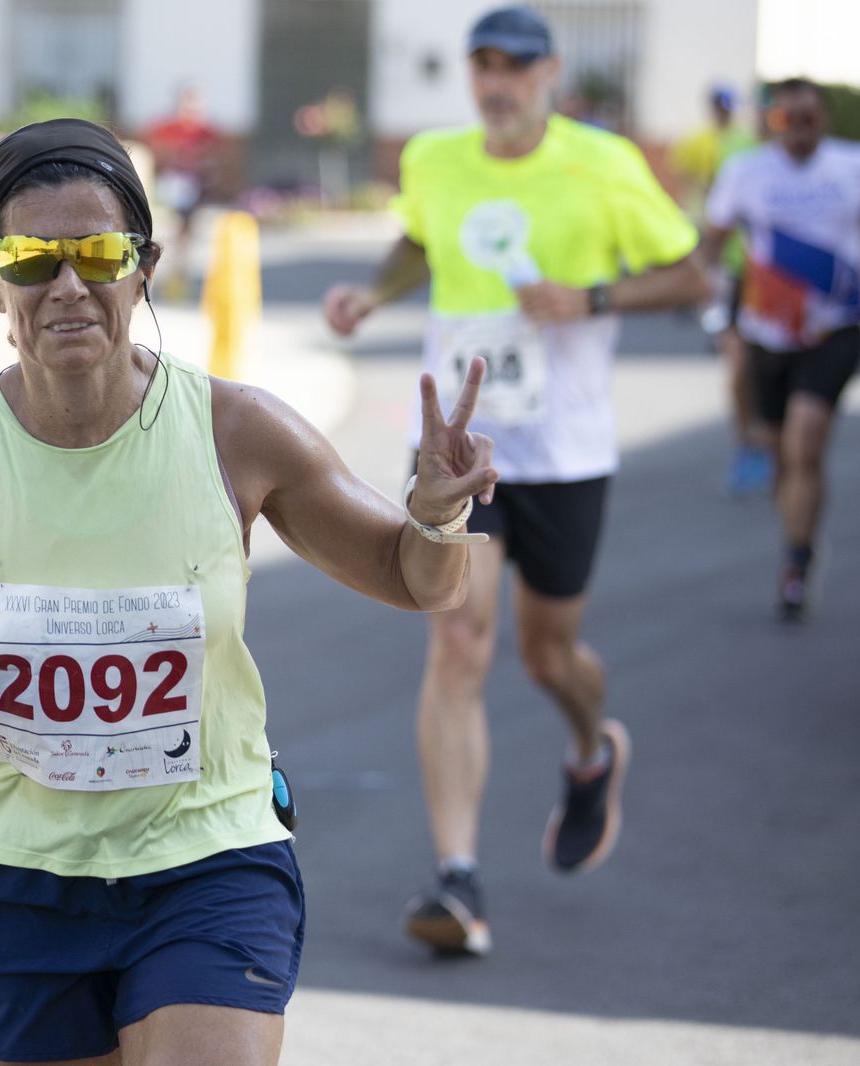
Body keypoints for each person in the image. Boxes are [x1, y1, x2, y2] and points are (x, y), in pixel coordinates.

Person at [0, 117, 497, 1064]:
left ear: (144, 265)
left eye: (98, 252)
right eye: (31, 258)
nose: (69, 286)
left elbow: (414, 581)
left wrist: (437, 518)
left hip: (209, 855)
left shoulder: (237, 432)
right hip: (17, 876)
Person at [322, 5, 709, 957]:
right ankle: (457, 878)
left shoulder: (605, 166)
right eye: (483, 65)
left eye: (515, 67)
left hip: (566, 451)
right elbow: (419, 238)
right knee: (456, 643)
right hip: (460, 448)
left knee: (548, 658)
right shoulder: (434, 160)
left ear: (550, 74)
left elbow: (694, 276)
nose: (496, 82)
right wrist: (373, 291)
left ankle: (591, 749)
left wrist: (595, 298)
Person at [702, 77, 860, 621]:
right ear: (772, 122)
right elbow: (713, 242)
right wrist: (719, 312)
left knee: (806, 444)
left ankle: (794, 563)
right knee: (778, 456)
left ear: (826, 119)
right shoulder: (746, 172)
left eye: (807, 117)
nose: (796, 128)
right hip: (767, 335)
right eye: (785, 118)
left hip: (834, 329)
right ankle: (802, 537)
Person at [673, 83, 770, 496]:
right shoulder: (722, 146)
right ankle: (749, 446)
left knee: (766, 366)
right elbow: (693, 178)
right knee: (739, 363)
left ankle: (773, 440)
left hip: (777, 281)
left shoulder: (755, 145)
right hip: (735, 270)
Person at [141, 85, 221, 302]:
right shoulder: (167, 128)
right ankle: (156, 277)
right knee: (162, 233)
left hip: (191, 188)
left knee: (184, 236)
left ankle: (177, 280)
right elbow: (155, 153)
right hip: (171, 186)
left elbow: (212, 160)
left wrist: (208, 178)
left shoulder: (205, 132)